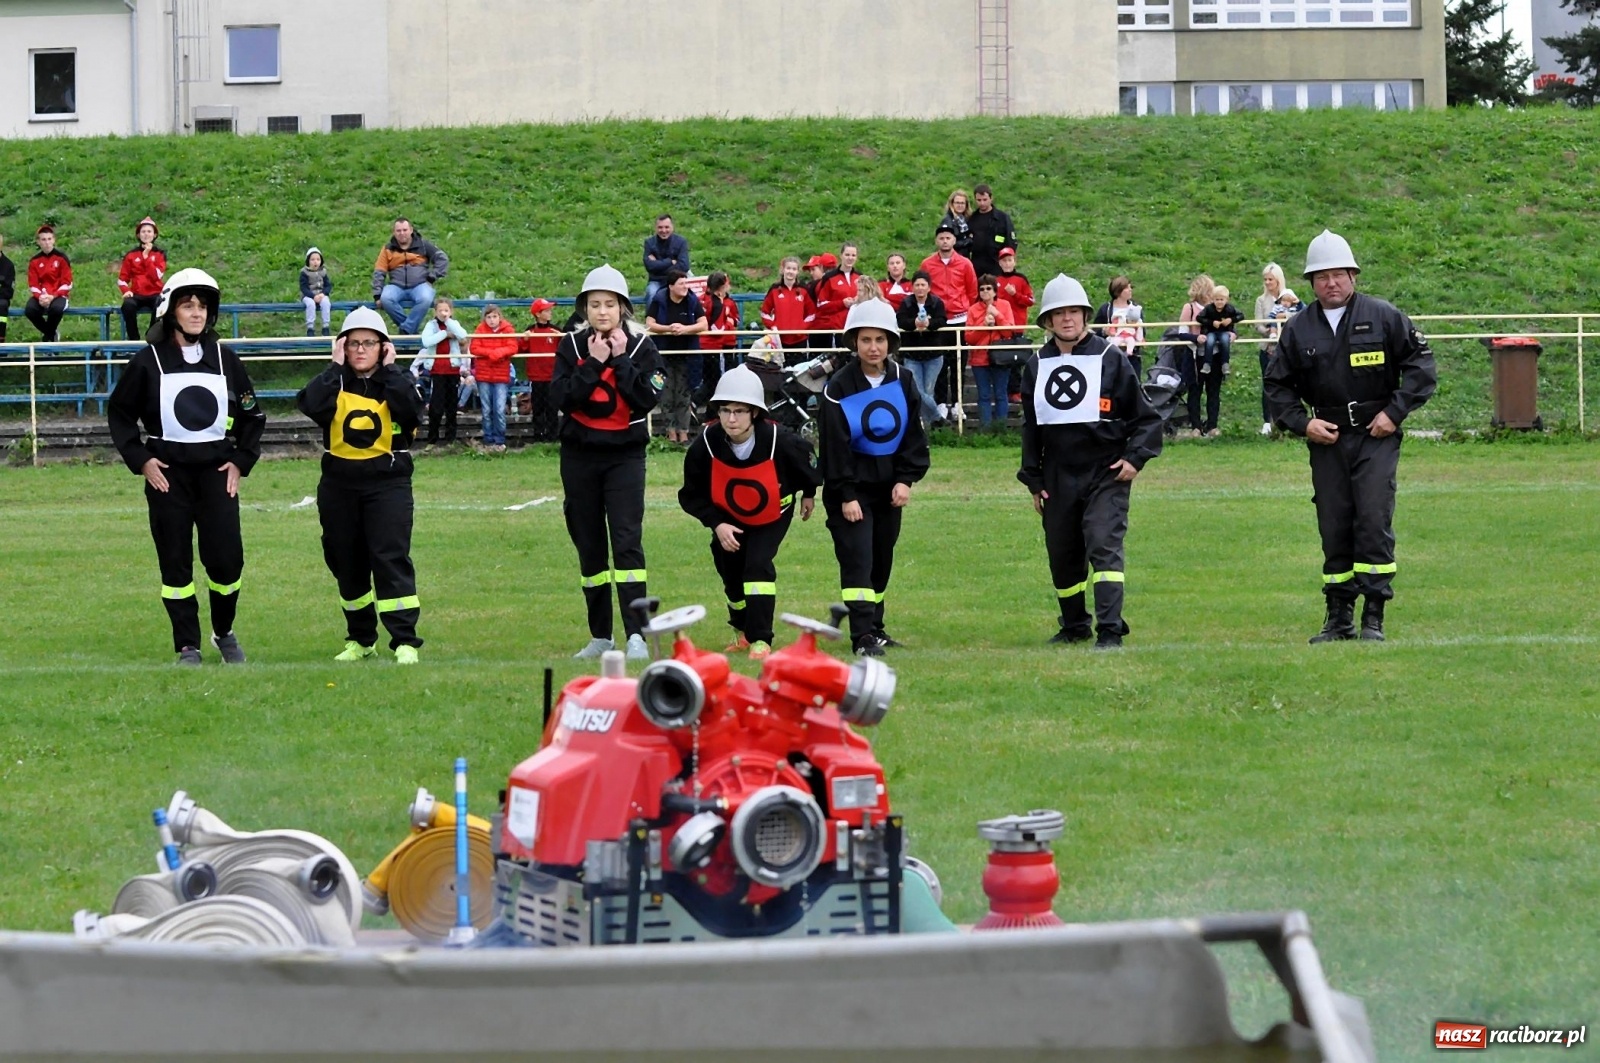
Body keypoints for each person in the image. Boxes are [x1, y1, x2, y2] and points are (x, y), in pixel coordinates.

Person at [1264, 229, 1437, 644]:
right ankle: (1338, 615)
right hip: (1328, 439)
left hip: (1376, 437)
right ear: (1310, 283)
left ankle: (1373, 615)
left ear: (1353, 276)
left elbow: (1421, 367)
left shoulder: (1383, 316)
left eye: (1339, 274)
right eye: (1322, 277)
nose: (1331, 283)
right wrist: (1303, 424)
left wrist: (1394, 414)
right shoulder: (1299, 329)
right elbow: (1277, 386)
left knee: (1374, 519)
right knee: (1334, 523)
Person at [107, 268, 265, 666]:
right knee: (175, 561)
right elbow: (120, 414)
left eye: (203, 307)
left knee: (227, 561)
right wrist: (142, 460)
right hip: (168, 480)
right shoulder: (147, 362)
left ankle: (224, 632)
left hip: (216, 478)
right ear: (170, 311)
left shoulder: (227, 360)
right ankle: (187, 644)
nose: (197, 313)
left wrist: (239, 462)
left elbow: (252, 416)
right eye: (188, 305)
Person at [1019, 274, 1162, 650]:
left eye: (1074, 312)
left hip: (1105, 472)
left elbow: (1146, 418)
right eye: (1058, 314)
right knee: (1062, 553)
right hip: (1057, 475)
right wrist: (1034, 480)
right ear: (1047, 321)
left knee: (1103, 544)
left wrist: (1134, 460)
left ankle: (1111, 629)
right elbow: (1031, 427)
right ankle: (1074, 625)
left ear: (1085, 316)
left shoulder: (1110, 358)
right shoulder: (1036, 365)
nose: (1067, 319)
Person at [294, 307, 425, 663]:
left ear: (383, 347)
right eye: (354, 344)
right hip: (339, 485)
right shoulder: (334, 382)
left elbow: (412, 408)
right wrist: (334, 368)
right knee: (346, 560)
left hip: (388, 484)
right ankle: (361, 638)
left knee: (389, 557)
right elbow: (309, 404)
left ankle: (404, 641)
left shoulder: (396, 380)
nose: (361, 350)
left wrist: (392, 369)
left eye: (369, 343)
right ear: (343, 348)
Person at [550, 264, 665, 661]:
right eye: (594, 304)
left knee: (627, 542)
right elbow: (562, 398)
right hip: (580, 457)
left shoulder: (641, 346)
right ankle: (601, 635)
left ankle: (636, 633)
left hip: (624, 458)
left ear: (622, 309)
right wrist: (593, 363)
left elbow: (647, 397)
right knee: (589, 546)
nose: (602, 312)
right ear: (584, 308)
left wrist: (617, 360)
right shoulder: (571, 346)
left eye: (610, 304)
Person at [678, 365, 821, 660]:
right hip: (727, 518)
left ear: (755, 412)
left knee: (757, 566)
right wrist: (717, 524)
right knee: (730, 571)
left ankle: (761, 638)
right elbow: (691, 495)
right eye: (725, 410)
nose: (731, 418)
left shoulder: (780, 440)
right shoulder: (705, 446)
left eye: (740, 411)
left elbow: (808, 465)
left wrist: (808, 493)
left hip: (772, 515)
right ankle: (741, 630)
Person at [820, 300, 930, 657]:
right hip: (851, 493)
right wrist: (846, 494)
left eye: (880, 340)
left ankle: (875, 627)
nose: (873, 347)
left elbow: (913, 434)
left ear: (890, 343)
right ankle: (861, 636)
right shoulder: (838, 387)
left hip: (888, 490)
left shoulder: (904, 379)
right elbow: (834, 446)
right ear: (854, 342)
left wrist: (905, 480)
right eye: (865, 339)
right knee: (859, 560)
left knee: (882, 560)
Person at [920, 223, 977, 420]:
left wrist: (964, 310)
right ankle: (942, 402)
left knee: (959, 362)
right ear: (936, 241)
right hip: (939, 320)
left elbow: (972, 291)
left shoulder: (965, 264)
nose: (945, 241)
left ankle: (958, 403)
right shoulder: (927, 264)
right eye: (941, 238)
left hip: (960, 319)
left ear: (954, 240)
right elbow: (923, 290)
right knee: (940, 362)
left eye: (948, 238)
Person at [645, 268, 708, 444]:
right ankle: (670, 432)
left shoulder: (692, 300)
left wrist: (685, 329)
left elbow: (703, 323)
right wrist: (668, 329)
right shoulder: (659, 299)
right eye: (681, 283)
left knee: (683, 394)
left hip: (686, 356)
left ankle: (684, 432)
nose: (685, 286)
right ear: (671, 286)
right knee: (666, 394)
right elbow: (649, 323)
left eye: (686, 283)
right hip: (663, 356)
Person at [372, 218, 449, 334]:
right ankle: (410, 329)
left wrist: (432, 277)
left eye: (405, 230)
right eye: (398, 231)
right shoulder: (388, 249)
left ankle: (406, 329)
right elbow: (379, 271)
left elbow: (442, 259)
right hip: (396, 286)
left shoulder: (423, 245)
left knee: (426, 298)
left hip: (420, 284)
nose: (402, 233)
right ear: (394, 232)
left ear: (411, 230)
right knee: (386, 298)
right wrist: (377, 295)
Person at [895, 270, 949, 430]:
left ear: (928, 287)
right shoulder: (906, 303)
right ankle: (938, 419)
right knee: (917, 391)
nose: (919, 288)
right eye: (917, 285)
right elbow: (901, 321)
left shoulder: (937, 302)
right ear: (912, 287)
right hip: (912, 354)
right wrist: (914, 324)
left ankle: (926, 427)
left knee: (928, 391)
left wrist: (928, 325)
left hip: (933, 353)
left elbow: (942, 320)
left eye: (923, 285)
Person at [413, 295, 468, 445]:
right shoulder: (431, 326)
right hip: (437, 370)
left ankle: (450, 439)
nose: (443, 313)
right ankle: (432, 439)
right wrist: (444, 334)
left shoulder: (454, 324)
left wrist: (449, 322)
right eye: (440, 310)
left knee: (451, 406)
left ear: (451, 311)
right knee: (436, 407)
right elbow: (427, 341)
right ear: (435, 312)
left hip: (453, 370)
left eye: (446, 310)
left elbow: (463, 335)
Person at [965, 275, 1018, 431]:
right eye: (982, 289)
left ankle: (1001, 430)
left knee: (1001, 394)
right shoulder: (973, 309)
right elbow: (969, 337)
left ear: (995, 290)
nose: (985, 292)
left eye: (988, 288)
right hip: (980, 359)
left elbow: (1009, 332)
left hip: (1001, 357)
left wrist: (997, 315)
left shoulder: (1005, 305)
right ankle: (985, 431)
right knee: (984, 395)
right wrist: (983, 325)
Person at [472, 303, 520, 452]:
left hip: (500, 375)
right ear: (484, 318)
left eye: (494, 316)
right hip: (484, 375)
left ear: (499, 317)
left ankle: (500, 440)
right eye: (488, 317)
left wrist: (498, 353)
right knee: (486, 410)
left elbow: (513, 347)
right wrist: (491, 353)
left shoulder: (508, 329)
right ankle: (488, 439)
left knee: (499, 409)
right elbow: (474, 348)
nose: (492, 320)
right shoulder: (480, 329)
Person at [1195, 284, 1241, 436]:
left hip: (1222, 336)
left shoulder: (1229, 308)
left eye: (1222, 299)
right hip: (1209, 338)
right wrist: (1211, 323)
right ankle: (1196, 426)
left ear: (1226, 299)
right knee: (1210, 341)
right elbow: (1200, 318)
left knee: (1214, 391)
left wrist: (1230, 320)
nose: (1219, 302)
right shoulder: (1208, 309)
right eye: (1216, 299)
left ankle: (1225, 363)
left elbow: (1240, 316)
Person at [1253, 263, 1291, 436]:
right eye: (1265, 279)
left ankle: (1286, 420)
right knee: (1268, 383)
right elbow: (1258, 324)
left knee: (1288, 383)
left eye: (1271, 279)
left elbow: (1298, 313)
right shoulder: (1261, 300)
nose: (1268, 283)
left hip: (1286, 347)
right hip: (1268, 346)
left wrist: (1284, 320)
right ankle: (1267, 421)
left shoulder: (1289, 296)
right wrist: (1268, 330)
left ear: (1278, 280)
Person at [1176, 274, 1214, 433]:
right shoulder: (1189, 307)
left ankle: (1212, 425)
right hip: (1193, 355)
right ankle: (1196, 426)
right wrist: (1196, 338)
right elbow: (1181, 332)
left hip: (1213, 355)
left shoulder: (1215, 307)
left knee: (1213, 390)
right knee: (1195, 391)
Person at [760, 256, 816, 365]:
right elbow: (764, 312)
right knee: (780, 371)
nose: (791, 271)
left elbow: (812, 313)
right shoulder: (774, 289)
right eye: (788, 268)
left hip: (799, 340)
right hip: (779, 340)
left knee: (798, 371)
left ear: (798, 272)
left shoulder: (804, 290)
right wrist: (774, 326)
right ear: (783, 270)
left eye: (794, 269)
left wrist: (801, 328)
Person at [117, 217, 166, 341]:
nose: (146, 234)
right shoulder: (131, 255)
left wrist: (146, 257)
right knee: (127, 305)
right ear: (138, 235)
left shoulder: (160, 254)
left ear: (154, 235)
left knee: (160, 305)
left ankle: (152, 337)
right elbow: (122, 279)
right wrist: (125, 290)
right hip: (137, 293)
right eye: (143, 231)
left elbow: (156, 276)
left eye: (149, 231)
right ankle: (133, 339)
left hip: (155, 293)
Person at [522, 297, 562, 442]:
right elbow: (522, 349)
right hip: (536, 376)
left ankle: (552, 436)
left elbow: (564, 350)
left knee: (552, 407)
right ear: (538, 314)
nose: (550, 312)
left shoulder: (556, 331)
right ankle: (538, 435)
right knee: (538, 407)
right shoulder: (530, 331)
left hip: (552, 376)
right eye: (546, 310)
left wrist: (562, 339)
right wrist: (525, 340)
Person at [25, 224, 72, 342]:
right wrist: (40, 296)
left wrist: (53, 296)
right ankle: (51, 333)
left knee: (56, 309)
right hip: (41, 296)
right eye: (43, 239)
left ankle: (48, 337)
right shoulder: (34, 261)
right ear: (38, 242)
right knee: (30, 310)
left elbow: (67, 282)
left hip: (59, 295)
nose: (47, 243)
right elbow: (33, 284)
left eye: (49, 239)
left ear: (54, 240)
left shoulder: (61, 258)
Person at [1093, 277, 1146, 380]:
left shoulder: (1136, 308)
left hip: (1132, 356)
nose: (1130, 290)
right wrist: (1104, 331)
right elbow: (1095, 331)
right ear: (1118, 291)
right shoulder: (1105, 309)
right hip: (1110, 357)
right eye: (1127, 288)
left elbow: (1142, 329)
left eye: (1130, 287)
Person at [812, 243, 861, 349]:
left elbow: (868, 299)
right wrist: (842, 303)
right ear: (841, 255)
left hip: (856, 326)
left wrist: (859, 300)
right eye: (847, 255)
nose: (850, 258)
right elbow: (821, 304)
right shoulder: (829, 278)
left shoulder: (860, 277)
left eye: (853, 255)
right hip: (837, 328)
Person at [967, 184, 1017, 279]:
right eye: (979, 200)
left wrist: (1008, 262)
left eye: (985, 200)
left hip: (997, 263)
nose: (982, 203)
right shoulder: (972, 219)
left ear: (991, 198)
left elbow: (1011, 241)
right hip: (977, 264)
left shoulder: (1002, 218)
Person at [642, 213, 690, 306]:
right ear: (655, 228)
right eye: (660, 227)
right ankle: (650, 320)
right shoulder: (649, 243)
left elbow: (684, 266)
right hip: (656, 281)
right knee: (652, 293)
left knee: (690, 294)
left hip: (676, 281)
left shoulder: (681, 242)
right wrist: (670, 262)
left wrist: (658, 265)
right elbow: (650, 266)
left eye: (667, 227)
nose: (663, 230)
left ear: (672, 227)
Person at [299, 247, 334, 337]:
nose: (315, 262)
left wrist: (323, 293)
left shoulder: (323, 272)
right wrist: (313, 296)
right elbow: (303, 288)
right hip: (308, 295)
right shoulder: (304, 273)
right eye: (313, 259)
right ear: (308, 261)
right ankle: (310, 327)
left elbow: (328, 285)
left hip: (321, 294)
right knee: (310, 304)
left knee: (326, 302)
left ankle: (326, 326)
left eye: (318, 259)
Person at [940, 189, 974, 260]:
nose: (960, 205)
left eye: (962, 203)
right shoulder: (947, 221)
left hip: (965, 258)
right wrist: (968, 241)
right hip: (952, 258)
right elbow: (947, 243)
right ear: (952, 204)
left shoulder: (967, 219)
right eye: (957, 203)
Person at [0, 234, 13, 344]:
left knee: (2, 305)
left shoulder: (8, 265)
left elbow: (9, 291)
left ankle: (1, 341)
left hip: (1, 300)